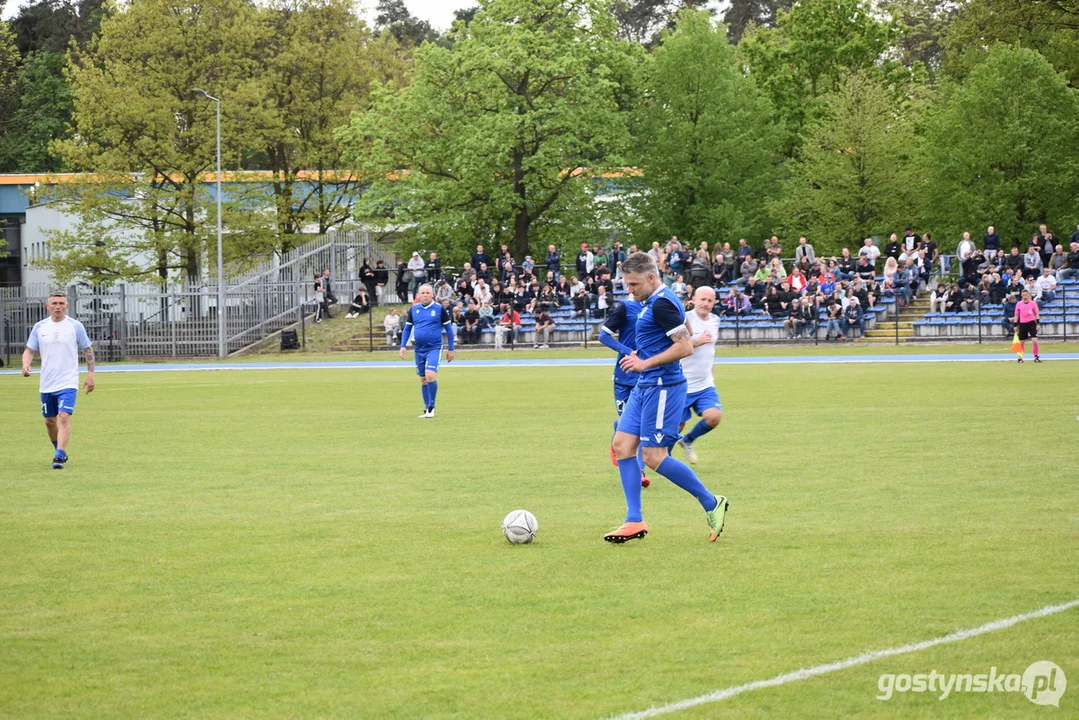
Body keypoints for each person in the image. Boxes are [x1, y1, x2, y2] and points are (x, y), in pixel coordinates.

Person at [604, 252, 728, 544]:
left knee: (654, 456)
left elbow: (684, 348)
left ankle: (712, 502)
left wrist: (645, 363)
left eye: (633, 284)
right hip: (644, 385)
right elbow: (685, 334)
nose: (629, 290)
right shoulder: (654, 300)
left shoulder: (660, 303)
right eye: (626, 284)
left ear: (650, 277)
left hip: (662, 386)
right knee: (622, 445)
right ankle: (634, 520)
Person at [22, 292, 96, 469]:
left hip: (68, 381)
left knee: (63, 416)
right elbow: (30, 350)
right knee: (49, 421)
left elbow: (87, 351)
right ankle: (59, 449)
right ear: (48, 306)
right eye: (54, 303)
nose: (58, 306)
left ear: (67, 306)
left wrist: (91, 374)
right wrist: (25, 364)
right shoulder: (40, 327)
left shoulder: (75, 326)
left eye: (61, 303)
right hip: (47, 383)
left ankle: (59, 456)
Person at [675, 287, 723, 465]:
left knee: (714, 417)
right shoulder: (684, 319)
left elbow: (710, 353)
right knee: (676, 427)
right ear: (693, 300)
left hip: (704, 384)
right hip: (681, 384)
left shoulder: (716, 321)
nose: (706, 303)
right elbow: (677, 347)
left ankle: (687, 441)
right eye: (702, 299)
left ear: (714, 302)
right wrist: (697, 341)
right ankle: (663, 460)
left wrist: (711, 377)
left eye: (710, 300)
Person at [399, 284, 455, 418]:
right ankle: (426, 408)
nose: (425, 295)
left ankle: (431, 407)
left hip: (434, 347)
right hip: (419, 349)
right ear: (418, 295)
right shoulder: (414, 309)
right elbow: (407, 329)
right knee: (423, 379)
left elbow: (449, 330)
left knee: (430, 375)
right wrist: (403, 345)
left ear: (432, 295)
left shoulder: (439, 309)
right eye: (422, 293)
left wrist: (451, 349)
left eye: (427, 293)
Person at [1012, 288, 1041, 363]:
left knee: (1035, 340)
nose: (1025, 296)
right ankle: (1020, 357)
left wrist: (1038, 323)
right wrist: (1015, 325)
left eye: (1026, 295)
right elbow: (1016, 315)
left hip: (1031, 323)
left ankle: (1036, 356)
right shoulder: (1019, 304)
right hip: (1023, 324)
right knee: (1021, 342)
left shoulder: (1033, 303)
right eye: (1023, 295)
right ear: (1021, 295)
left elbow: (1036, 313)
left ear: (1028, 295)